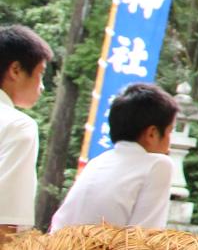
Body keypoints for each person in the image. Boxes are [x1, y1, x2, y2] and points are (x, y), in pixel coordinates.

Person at [50, 82, 177, 231]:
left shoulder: (97, 162)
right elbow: (145, 240)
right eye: (170, 132)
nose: (170, 142)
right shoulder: (158, 165)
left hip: (58, 249)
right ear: (152, 134)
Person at [0, 25, 51, 237]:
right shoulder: (18, 126)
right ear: (16, 70)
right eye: (41, 74)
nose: (42, 87)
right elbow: (5, 225)